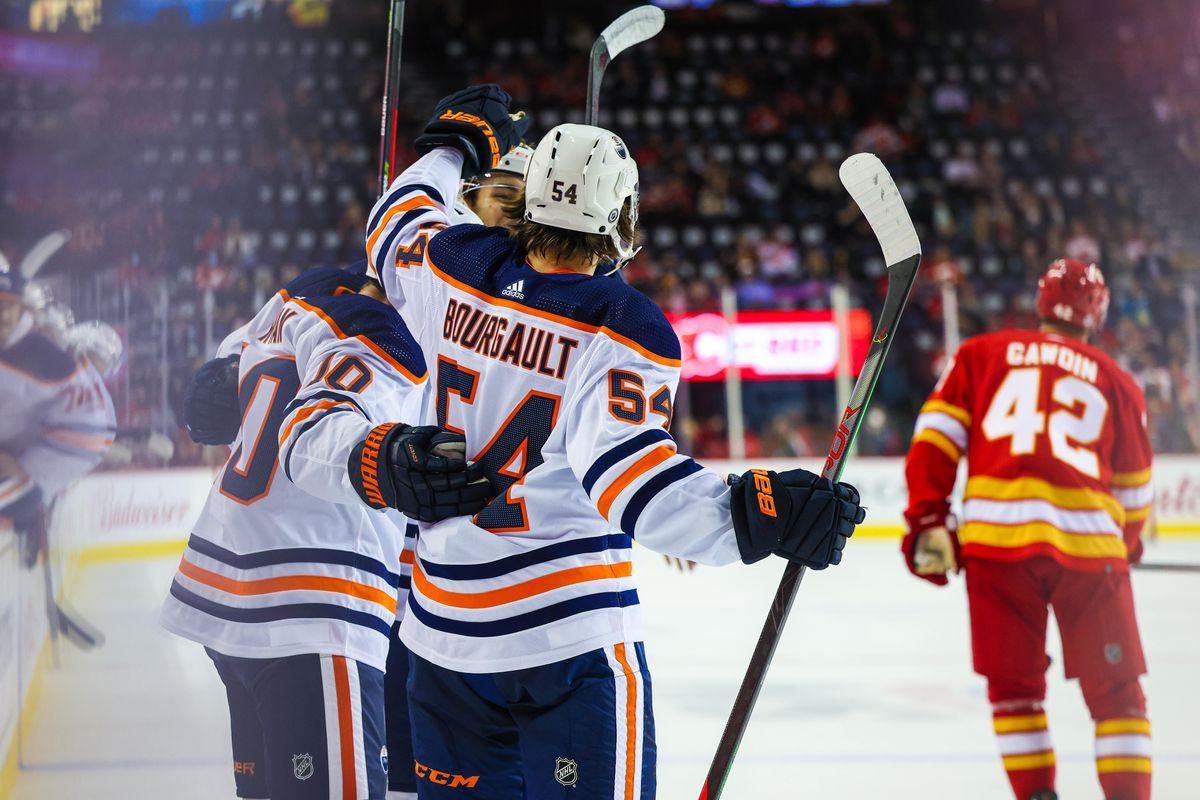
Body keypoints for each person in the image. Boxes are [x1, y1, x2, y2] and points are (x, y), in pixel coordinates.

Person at [361, 84, 867, 798]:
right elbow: (630, 484)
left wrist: (452, 148)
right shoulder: (623, 325)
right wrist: (761, 513)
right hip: (566, 647)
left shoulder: (453, 268)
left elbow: (393, 223)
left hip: (440, 642)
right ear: (622, 218)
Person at [161, 264, 488, 800]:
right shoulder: (374, 327)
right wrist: (380, 459)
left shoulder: (292, 307)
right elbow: (322, 429)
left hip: (227, 588)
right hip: (313, 599)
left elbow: (215, 389)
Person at [902, 259, 1154, 800]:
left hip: (998, 549)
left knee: (1014, 693)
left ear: (1040, 303)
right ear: (1097, 316)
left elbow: (935, 439)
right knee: (1118, 696)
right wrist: (1125, 549)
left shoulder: (981, 354)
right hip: (1090, 553)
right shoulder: (1118, 383)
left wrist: (930, 519)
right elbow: (1134, 492)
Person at [0, 269, 115, 567]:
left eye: (6, 307)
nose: (1, 315)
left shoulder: (36, 357)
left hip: (39, 464)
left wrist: (26, 467)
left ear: (21, 310)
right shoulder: (36, 354)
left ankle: (29, 518)